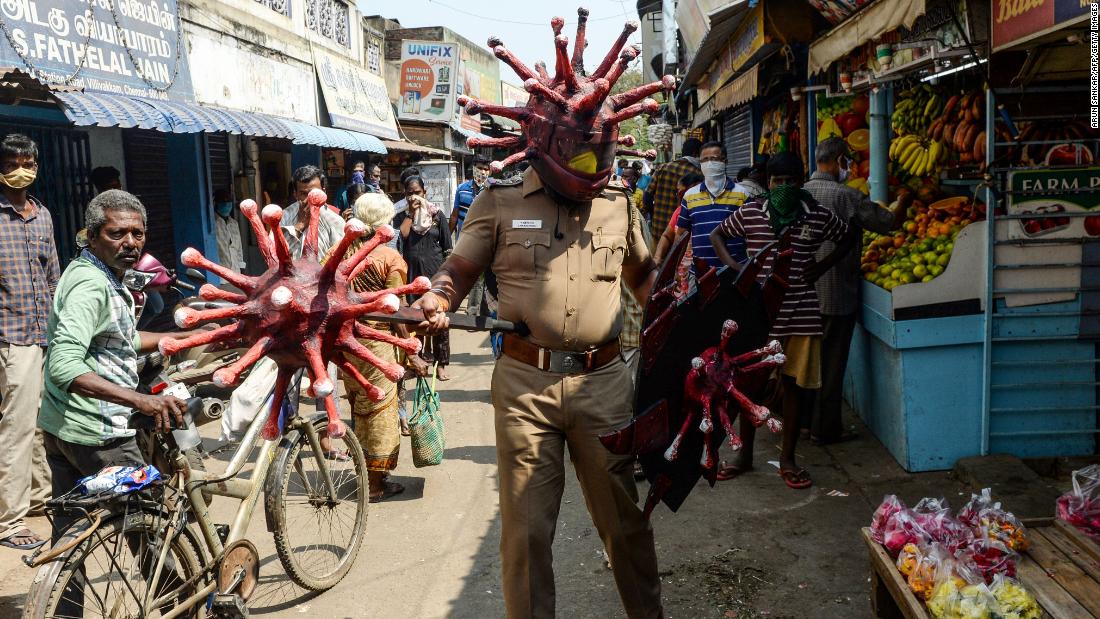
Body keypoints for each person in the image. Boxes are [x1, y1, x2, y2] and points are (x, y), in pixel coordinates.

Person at [412, 164, 662, 619]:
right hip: (525, 387)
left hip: (603, 383)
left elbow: (643, 274)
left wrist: (676, 315)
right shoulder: (499, 199)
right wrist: (439, 296)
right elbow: (460, 267)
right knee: (526, 532)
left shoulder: (618, 202)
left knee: (624, 523)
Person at [38, 190, 198, 535]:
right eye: (117, 234)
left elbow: (123, 340)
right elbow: (64, 366)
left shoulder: (100, 273)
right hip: (100, 433)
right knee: (149, 528)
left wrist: (191, 337)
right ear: (92, 236)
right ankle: (178, 589)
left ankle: (60, 591)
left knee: (70, 539)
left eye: (137, 234)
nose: (129, 243)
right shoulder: (91, 286)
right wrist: (142, 400)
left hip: (64, 426)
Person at [708, 152, 856, 490]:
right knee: (749, 386)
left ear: (800, 181)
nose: (784, 187)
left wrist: (821, 266)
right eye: (778, 181)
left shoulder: (816, 215)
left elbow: (848, 236)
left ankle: (787, 459)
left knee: (793, 387)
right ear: (768, 183)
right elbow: (718, 235)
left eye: (791, 181)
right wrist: (736, 268)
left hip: (802, 314)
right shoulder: (751, 212)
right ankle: (743, 456)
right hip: (757, 313)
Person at [325, 193, 427, 501]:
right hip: (377, 342)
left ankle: (364, 471)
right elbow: (395, 310)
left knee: (359, 405)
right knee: (380, 410)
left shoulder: (336, 253)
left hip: (345, 341)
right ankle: (377, 483)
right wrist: (411, 350)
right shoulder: (389, 258)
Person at [805, 137, 905, 444]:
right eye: (847, 160)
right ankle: (825, 430)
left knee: (808, 365)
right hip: (835, 294)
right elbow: (888, 222)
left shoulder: (802, 192)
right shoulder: (847, 196)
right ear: (837, 161)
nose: (849, 166)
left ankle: (808, 423)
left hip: (803, 296)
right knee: (831, 366)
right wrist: (904, 198)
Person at [0, 134, 58, 550]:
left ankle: (42, 499)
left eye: (29, 162)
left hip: (43, 334)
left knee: (43, 423)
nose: (22, 168)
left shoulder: (43, 216)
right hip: (10, 336)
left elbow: (53, 275)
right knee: (17, 429)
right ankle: (9, 522)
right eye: (13, 161)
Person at [394, 175, 453, 381]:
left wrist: (446, 276)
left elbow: (448, 248)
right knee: (414, 318)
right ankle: (416, 361)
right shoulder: (402, 216)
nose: (413, 197)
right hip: (411, 275)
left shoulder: (437, 215)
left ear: (424, 193)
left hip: (435, 273)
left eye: (417, 192)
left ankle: (441, 364)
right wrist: (411, 213)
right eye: (409, 193)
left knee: (438, 319)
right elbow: (402, 237)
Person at [676, 142, 750, 270]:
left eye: (714, 159)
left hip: (735, 271)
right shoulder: (689, 196)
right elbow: (682, 234)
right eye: (705, 160)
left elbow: (752, 232)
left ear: (725, 161)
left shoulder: (742, 194)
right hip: (701, 272)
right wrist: (675, 267)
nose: (709, 164)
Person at [279, 165, 347, 258]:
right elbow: (276, 254)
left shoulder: (334, 220)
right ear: (295, 194)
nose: (309, 199)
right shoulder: (284, 216)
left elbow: (341, 257)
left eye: (314, 193)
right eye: (303, 194)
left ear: (323, 192)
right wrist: (300, 225)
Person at [643, 137, 701, 234]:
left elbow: (647, 196)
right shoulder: (698, 173)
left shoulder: (662, 168)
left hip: (659, 227)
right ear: (696, 153)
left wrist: (653, 214)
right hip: (683, 232)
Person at [451, 158, 490, 238]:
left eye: (486, 169)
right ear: (474, 169)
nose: (482, 172)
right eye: (479, 168)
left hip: (484, 241)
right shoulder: (461, 189)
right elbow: (454, 215)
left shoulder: (493, 190)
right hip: (463, 239)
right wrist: (446, 239)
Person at [212, 188, 245, 274]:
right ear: (216, 204)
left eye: (229, 201)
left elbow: (239, 248)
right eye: (223, 201)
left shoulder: (234, 223)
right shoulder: (212, 224)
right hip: (220, 275)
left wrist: (242, 267)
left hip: (236, 272)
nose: (227, 204)